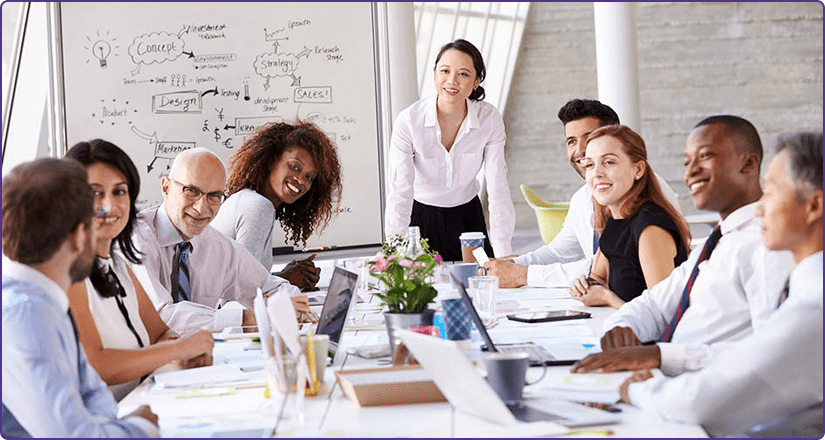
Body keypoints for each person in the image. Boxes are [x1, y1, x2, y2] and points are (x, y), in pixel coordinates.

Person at [617, 131, 823, 437]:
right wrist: (659, 354)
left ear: (813, 206)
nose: (759, 207)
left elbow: (703, 403)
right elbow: (755, 355)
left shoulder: (813, 309)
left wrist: (640, 388)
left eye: (771, 191)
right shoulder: (802, 292)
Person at [570, 115, 794, 376]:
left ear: (749, 163)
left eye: (705, 156)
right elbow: (656, 302)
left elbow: (770, 352)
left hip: (704, 390)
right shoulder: (715, 244)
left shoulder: (767, 246)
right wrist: (622, 326)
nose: (690, 172)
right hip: (669, 378)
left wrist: (660, 356)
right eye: (687, 162)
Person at [2, 157, 158, 437]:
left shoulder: (46, 301)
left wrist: (123, 426)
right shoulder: (24, 315)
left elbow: (93, 396)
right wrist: (141, 426)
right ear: (78, 235)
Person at [65, 140, 215, 401]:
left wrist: (181, 353)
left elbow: (160, 333)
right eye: (94, 193)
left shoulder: (118, 264)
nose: (109, 206)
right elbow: (97, 366)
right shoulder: (68, 274)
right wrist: (177, 350)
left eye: (119, 192)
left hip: (142, 403)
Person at [484, 99, 681, 288]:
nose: (580, 150)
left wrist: (524, 275)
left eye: (589, 138)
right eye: (571, 141)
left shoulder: (648, 198)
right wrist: (510, 265)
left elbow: (618, 269)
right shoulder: (584, 197)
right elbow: (559, 253)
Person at [132, 147, 310, 335]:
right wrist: (247, 318)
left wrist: (291, 305)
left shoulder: (217, 245)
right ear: (166, 188)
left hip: (200, 357)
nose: (201, 208)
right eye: (191, 191)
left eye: (214, 196)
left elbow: (270, 286)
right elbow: (159, 316)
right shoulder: (135, 240)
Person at [385, 38, 515, 261]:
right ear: (435, 73)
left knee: (483, 281)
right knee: (420, 290)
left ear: (477, 80)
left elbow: (498, 187)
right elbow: (400, 190)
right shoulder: (409, 121)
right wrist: (394, 253)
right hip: (421, 217)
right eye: (445, 71)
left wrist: (505, 256)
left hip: (468, 217)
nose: (452, 80)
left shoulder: (489, 119)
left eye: (463, 74)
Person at [212, 119, 343, 290]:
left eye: (310, 177)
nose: (301, 180)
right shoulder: (257, 206)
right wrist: (288, 279)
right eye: (294, 166)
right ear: (270, 160)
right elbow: (240, 289)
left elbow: (241, 279)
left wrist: (285, 275)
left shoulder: (249, 200)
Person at [568, 125, 689, 308]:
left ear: (638, 170)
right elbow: (597, 277)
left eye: (609, 162)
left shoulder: (651, 227)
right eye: (590, 165)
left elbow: (665, 313)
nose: (597, 173)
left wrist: (608, 298)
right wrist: (584, 286)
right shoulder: (614, 218)